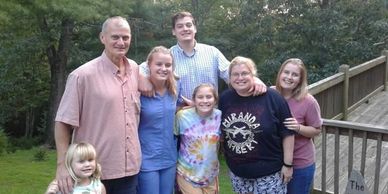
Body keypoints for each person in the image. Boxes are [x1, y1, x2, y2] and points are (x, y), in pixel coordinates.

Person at [54, 16, 144, 194]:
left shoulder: (135, 69)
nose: (121, 42)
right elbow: (62, 123)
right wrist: (62, 165)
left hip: (130, 171)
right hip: (92, 172)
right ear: (102, 38)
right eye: (115, 37)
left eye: (125, 37)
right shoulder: (81, 76)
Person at [139, 11, 266, 101]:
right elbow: (142, 68)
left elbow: (232, 74)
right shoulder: (167, 57)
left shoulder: (212, 52)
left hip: (210, 116)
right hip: (180, 116)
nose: (185, 29)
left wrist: (253, 79)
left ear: (195, 28)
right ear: (173, 31)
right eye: (180, 26)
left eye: (189, 25)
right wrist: (143, 78)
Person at [219, 56, 295, 194]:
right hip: (238, 175)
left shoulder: (273, 98)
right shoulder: (224, 99)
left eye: (244, 73)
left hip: (270, 175)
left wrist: (288, 165)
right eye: (235, 74)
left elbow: (288, 133)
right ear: (229, 77)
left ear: (253, 75)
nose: (240, 78)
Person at [137, 46, 183, 194]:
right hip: (147, 158)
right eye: (159, 64)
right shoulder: (139, 90)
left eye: (168, 65)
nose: (163, 68)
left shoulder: (175, 88)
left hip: (169, 157)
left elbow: (175, 111)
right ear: (149, 65)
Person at [274, 58, 322, 194]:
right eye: (286, 72)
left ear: (300, 79)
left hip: (300, 164)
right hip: (274, 163)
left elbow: (317, 130)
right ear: (280, 74)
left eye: (294, 75)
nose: (289, 77)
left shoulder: (308, 101)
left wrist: (298, 127)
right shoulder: (271, 94)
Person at [175, 83, 221, 194]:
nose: (205, 101)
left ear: (215, 100)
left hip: (210, 175)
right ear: (194, 100)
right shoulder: (182, 116)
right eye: (200, 97)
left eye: (209, 97)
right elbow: (172, 139)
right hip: (186, 173)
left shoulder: (219, 116)